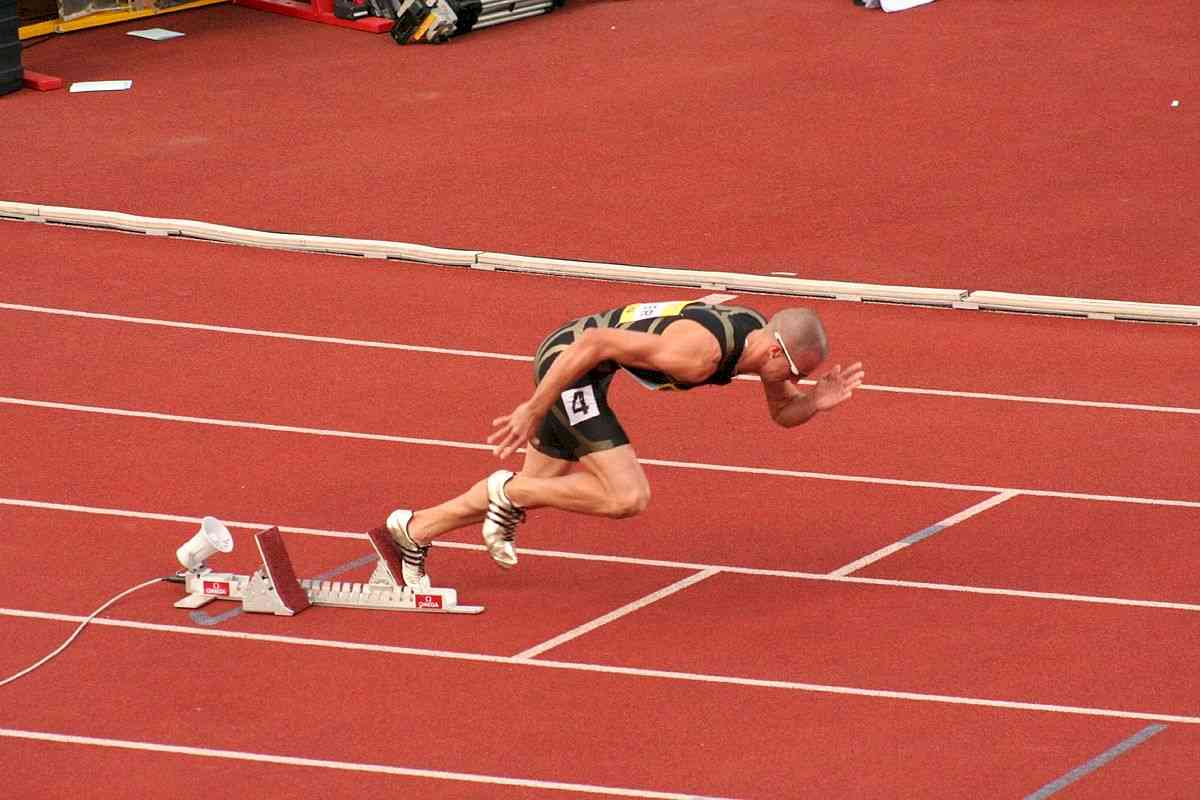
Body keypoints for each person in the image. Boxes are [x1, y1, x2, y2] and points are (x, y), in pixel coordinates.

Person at [384, 300, 865, 589]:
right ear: (776, 349)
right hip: (572, 363)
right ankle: (507, 492)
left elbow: (782, 412)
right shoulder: (699, 353)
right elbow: (593, 342)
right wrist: (533, 407)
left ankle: (413, 529)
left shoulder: (756, 339)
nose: (791, 382)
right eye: (796, 373)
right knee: (626, 496)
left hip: (592, 367)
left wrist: (814, 402)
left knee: (544, 482)